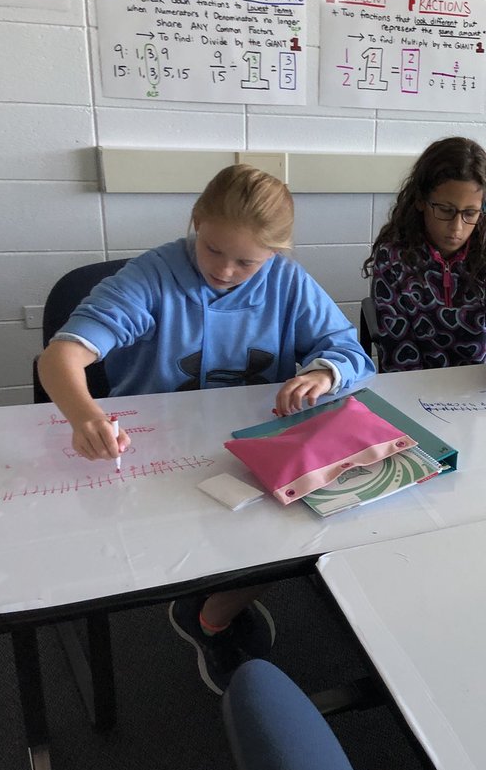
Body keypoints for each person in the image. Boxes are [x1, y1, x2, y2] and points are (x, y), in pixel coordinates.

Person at [38, 164, 375, 694]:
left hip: (253, 446)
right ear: (197, 222)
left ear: (275, 253)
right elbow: (61, 357)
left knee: (328, 506)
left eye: (247, 261)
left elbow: (351, 352)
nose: (224, 270)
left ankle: (213, 612)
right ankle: (210, 602)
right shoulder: (152, 277)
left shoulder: (286, 281)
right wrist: (84, 414)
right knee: (181, 534)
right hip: (158, 451)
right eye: (213, 249)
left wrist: (321, 371)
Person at [362, 136, 486, 382]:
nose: (456, 227)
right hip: (418, 383)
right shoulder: (394, 256)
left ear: (484, 208)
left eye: (470, 213)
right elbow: (397, 349)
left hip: (485, 379)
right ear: (420, 201)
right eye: (445, 210)